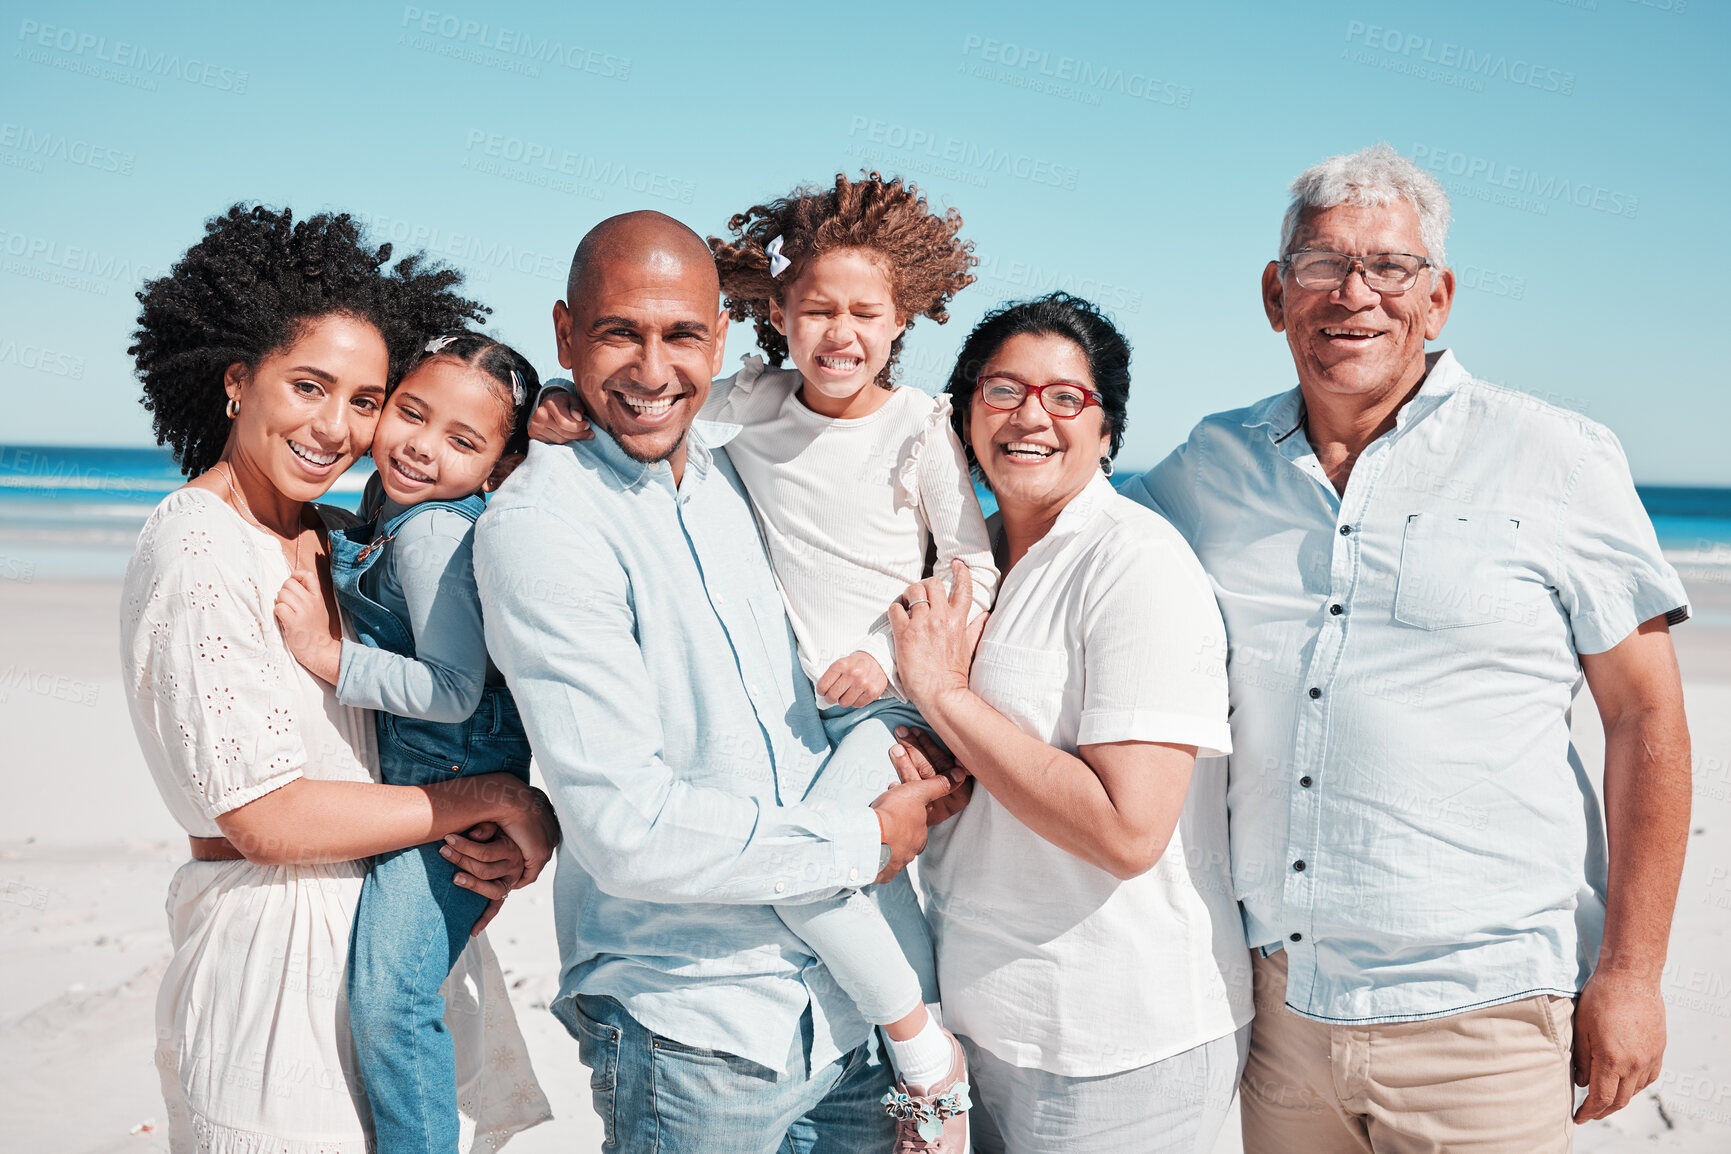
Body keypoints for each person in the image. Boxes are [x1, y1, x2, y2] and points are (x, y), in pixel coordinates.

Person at [1122, 143, 1693, 1153]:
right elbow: (1070, 542)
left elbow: (1645, 715)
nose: (1354, 293)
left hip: (1488, 1018)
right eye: (1321, 263)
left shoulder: (1555, 454)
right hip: (1281, 1016)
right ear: (1274, 291)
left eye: (1389, 266)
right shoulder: (1207, 469)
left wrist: (1633, 973)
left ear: (1438, 299)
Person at [474, 209, 968, 1153]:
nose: (654, 372)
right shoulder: (545, 528)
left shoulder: (728, 476)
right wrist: (861, 840)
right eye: (620, 332)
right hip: (696, 1034)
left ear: (725, 337)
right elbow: (626, 830)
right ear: (565, 334)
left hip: (846, 1019)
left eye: (682, 336)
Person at [120, 204, 556, 1154]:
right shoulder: (200, 545)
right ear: (237, 381)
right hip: (270, 975)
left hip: (367, 937)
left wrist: (507, 821)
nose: (337, 427)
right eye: (309, 386)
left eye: (364, 398)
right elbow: (265, 819)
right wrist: (490, 799)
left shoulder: (329, 534)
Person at [890, 293, 1252, 1153]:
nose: (1030, 416)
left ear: (1107, 430)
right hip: (971, 1023)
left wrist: (944, 698)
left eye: (1065, 397)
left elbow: (1128, 831)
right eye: (1002, 389)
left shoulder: (1133, 564)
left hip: (1117, 1040)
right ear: (964, 413)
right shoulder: (957, 559)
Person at [273, 331, 543, 1153]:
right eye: (411, 414)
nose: (423, 448)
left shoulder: (432, 535)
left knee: (393, 997)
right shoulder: (397, 514)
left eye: (462, 441)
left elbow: (453, 691)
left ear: (497, 465)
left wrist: (328, 658)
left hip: (454, 784)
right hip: (436, 779)